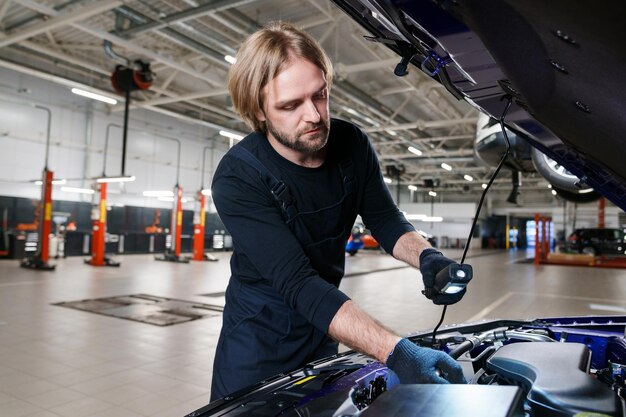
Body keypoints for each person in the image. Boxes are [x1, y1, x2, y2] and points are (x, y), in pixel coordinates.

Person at [210, 21, 467, 400]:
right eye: (290, 105)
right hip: (257, 341)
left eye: (320, 95)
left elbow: (384, 219)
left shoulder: (352, 144)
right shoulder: (238, 177)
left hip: (325, 328)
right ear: (259, 110)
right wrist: (397, 352)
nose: (314, 115)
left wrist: (429, 258)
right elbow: (297, 282)